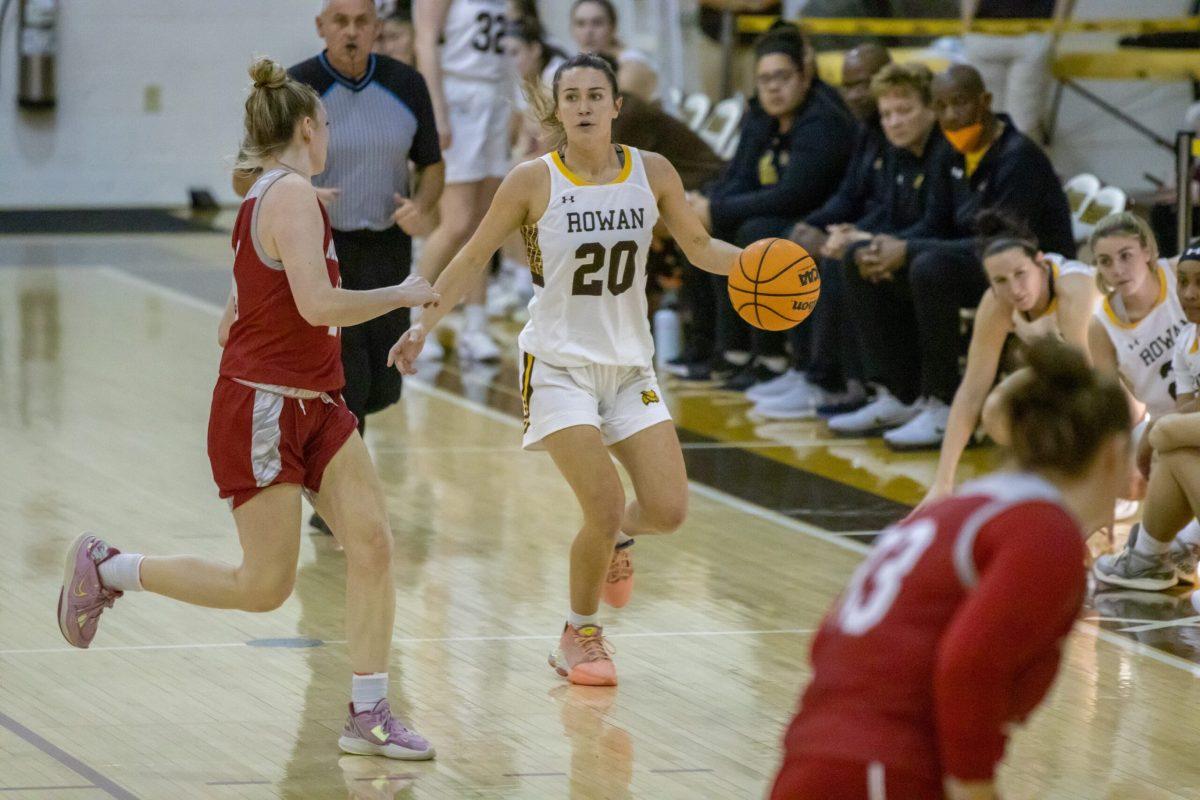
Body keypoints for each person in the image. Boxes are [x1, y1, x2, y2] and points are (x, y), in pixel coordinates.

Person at [57, 58, 440, 760]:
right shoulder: (289, 194)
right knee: (263, 587)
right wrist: (400, 293)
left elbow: (244, 307)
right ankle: (109, 566)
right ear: (305, 127)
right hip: (264, 407)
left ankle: (369, 711)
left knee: (375, 544)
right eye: (326, 123)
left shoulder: (282, 194)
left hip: (316, 403)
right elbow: (319, 305)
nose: (331, 133)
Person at [388, 54, 742, 686]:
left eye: (594, 94)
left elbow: (701, 248)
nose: (582, 105)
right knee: (602, 504)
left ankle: (618, 543)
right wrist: (422, 324)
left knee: (667, 511)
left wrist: (765, 264)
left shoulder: (651, 172)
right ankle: (579, 636)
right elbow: (471, 258)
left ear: (615, 107)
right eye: (570, 96)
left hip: (630, 369)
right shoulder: (531, 181)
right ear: (558, 111)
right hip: (557, 368)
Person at [771, 338, 1130, 800]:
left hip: (813, 757)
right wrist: (974, 785)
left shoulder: (959, 508)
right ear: (1114, 453)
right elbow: (969, 665)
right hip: (886, 771)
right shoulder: (1044, 532)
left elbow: (829, 635)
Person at [830, 63, 1074, 449]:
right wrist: (883, 245)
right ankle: (900, 394)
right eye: (940, 106)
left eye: (958, 104)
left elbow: (1005, 247)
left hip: (1031, 272)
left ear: (986, 102)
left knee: (928, 267)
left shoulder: (1017, 157)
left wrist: (907, 249)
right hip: (969, 260)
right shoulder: (954, 152)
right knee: (861, 258)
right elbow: (934, 224)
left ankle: (943, 403)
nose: (949, 116)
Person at [756, 59, 953, 421]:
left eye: (904, 111)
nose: (894, 121)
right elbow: (867, 201)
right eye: (888, 113)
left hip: (942, 253)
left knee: (848, 258)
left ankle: (849, 383)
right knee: (805, 245)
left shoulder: (941, 152)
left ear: (931, 108)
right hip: (905, 240)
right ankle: (812, 371)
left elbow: (937, 223)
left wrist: (865, 238)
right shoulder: (890, 144)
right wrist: (824, 227)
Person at [681, 24, 856, 389]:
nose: (773, 88)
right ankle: (728, 350)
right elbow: (739, 174)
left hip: (823, 218)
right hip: (784, 213)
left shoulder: (823, 120)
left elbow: (796, 194)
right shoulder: (762, 115)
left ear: (804, 76)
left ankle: (772, 356)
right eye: (765, 80)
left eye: (782, 77)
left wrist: (718, 209)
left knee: (751, 232)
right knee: (702, 228)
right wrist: (705, 204)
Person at [923, 212, 1096, 503]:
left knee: (1070, 403)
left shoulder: (1073, 288)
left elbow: (1087, 383)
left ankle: (1103, 478)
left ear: (1040, 263)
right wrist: (943, 483)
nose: (1014, 289)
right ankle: (1050, 476)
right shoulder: (996, 304)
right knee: (997, 411)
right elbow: (970, 393)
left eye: (1020, 274)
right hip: (1070, 376)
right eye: (1000, 280)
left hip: (1122, 376)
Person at [414, 0, 514, 362]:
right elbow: (424, 41)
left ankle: (476, 325)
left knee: (484, 226)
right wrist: (436, 111)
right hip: (459, 97)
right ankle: (415, 320)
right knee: (455, 223)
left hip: (494, 96)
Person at [961, 0, 1073, 140]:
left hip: (989, 32)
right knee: (1020, 125)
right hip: (1027, 34)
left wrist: (967, 28)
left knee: (996, 122)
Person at [569, 0, 659, 104]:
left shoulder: (632, 64)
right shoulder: (575, 66)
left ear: (613, 27)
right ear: (572, 29)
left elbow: (623, 112)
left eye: (597, 23)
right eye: (581, 24)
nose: (588, 31)